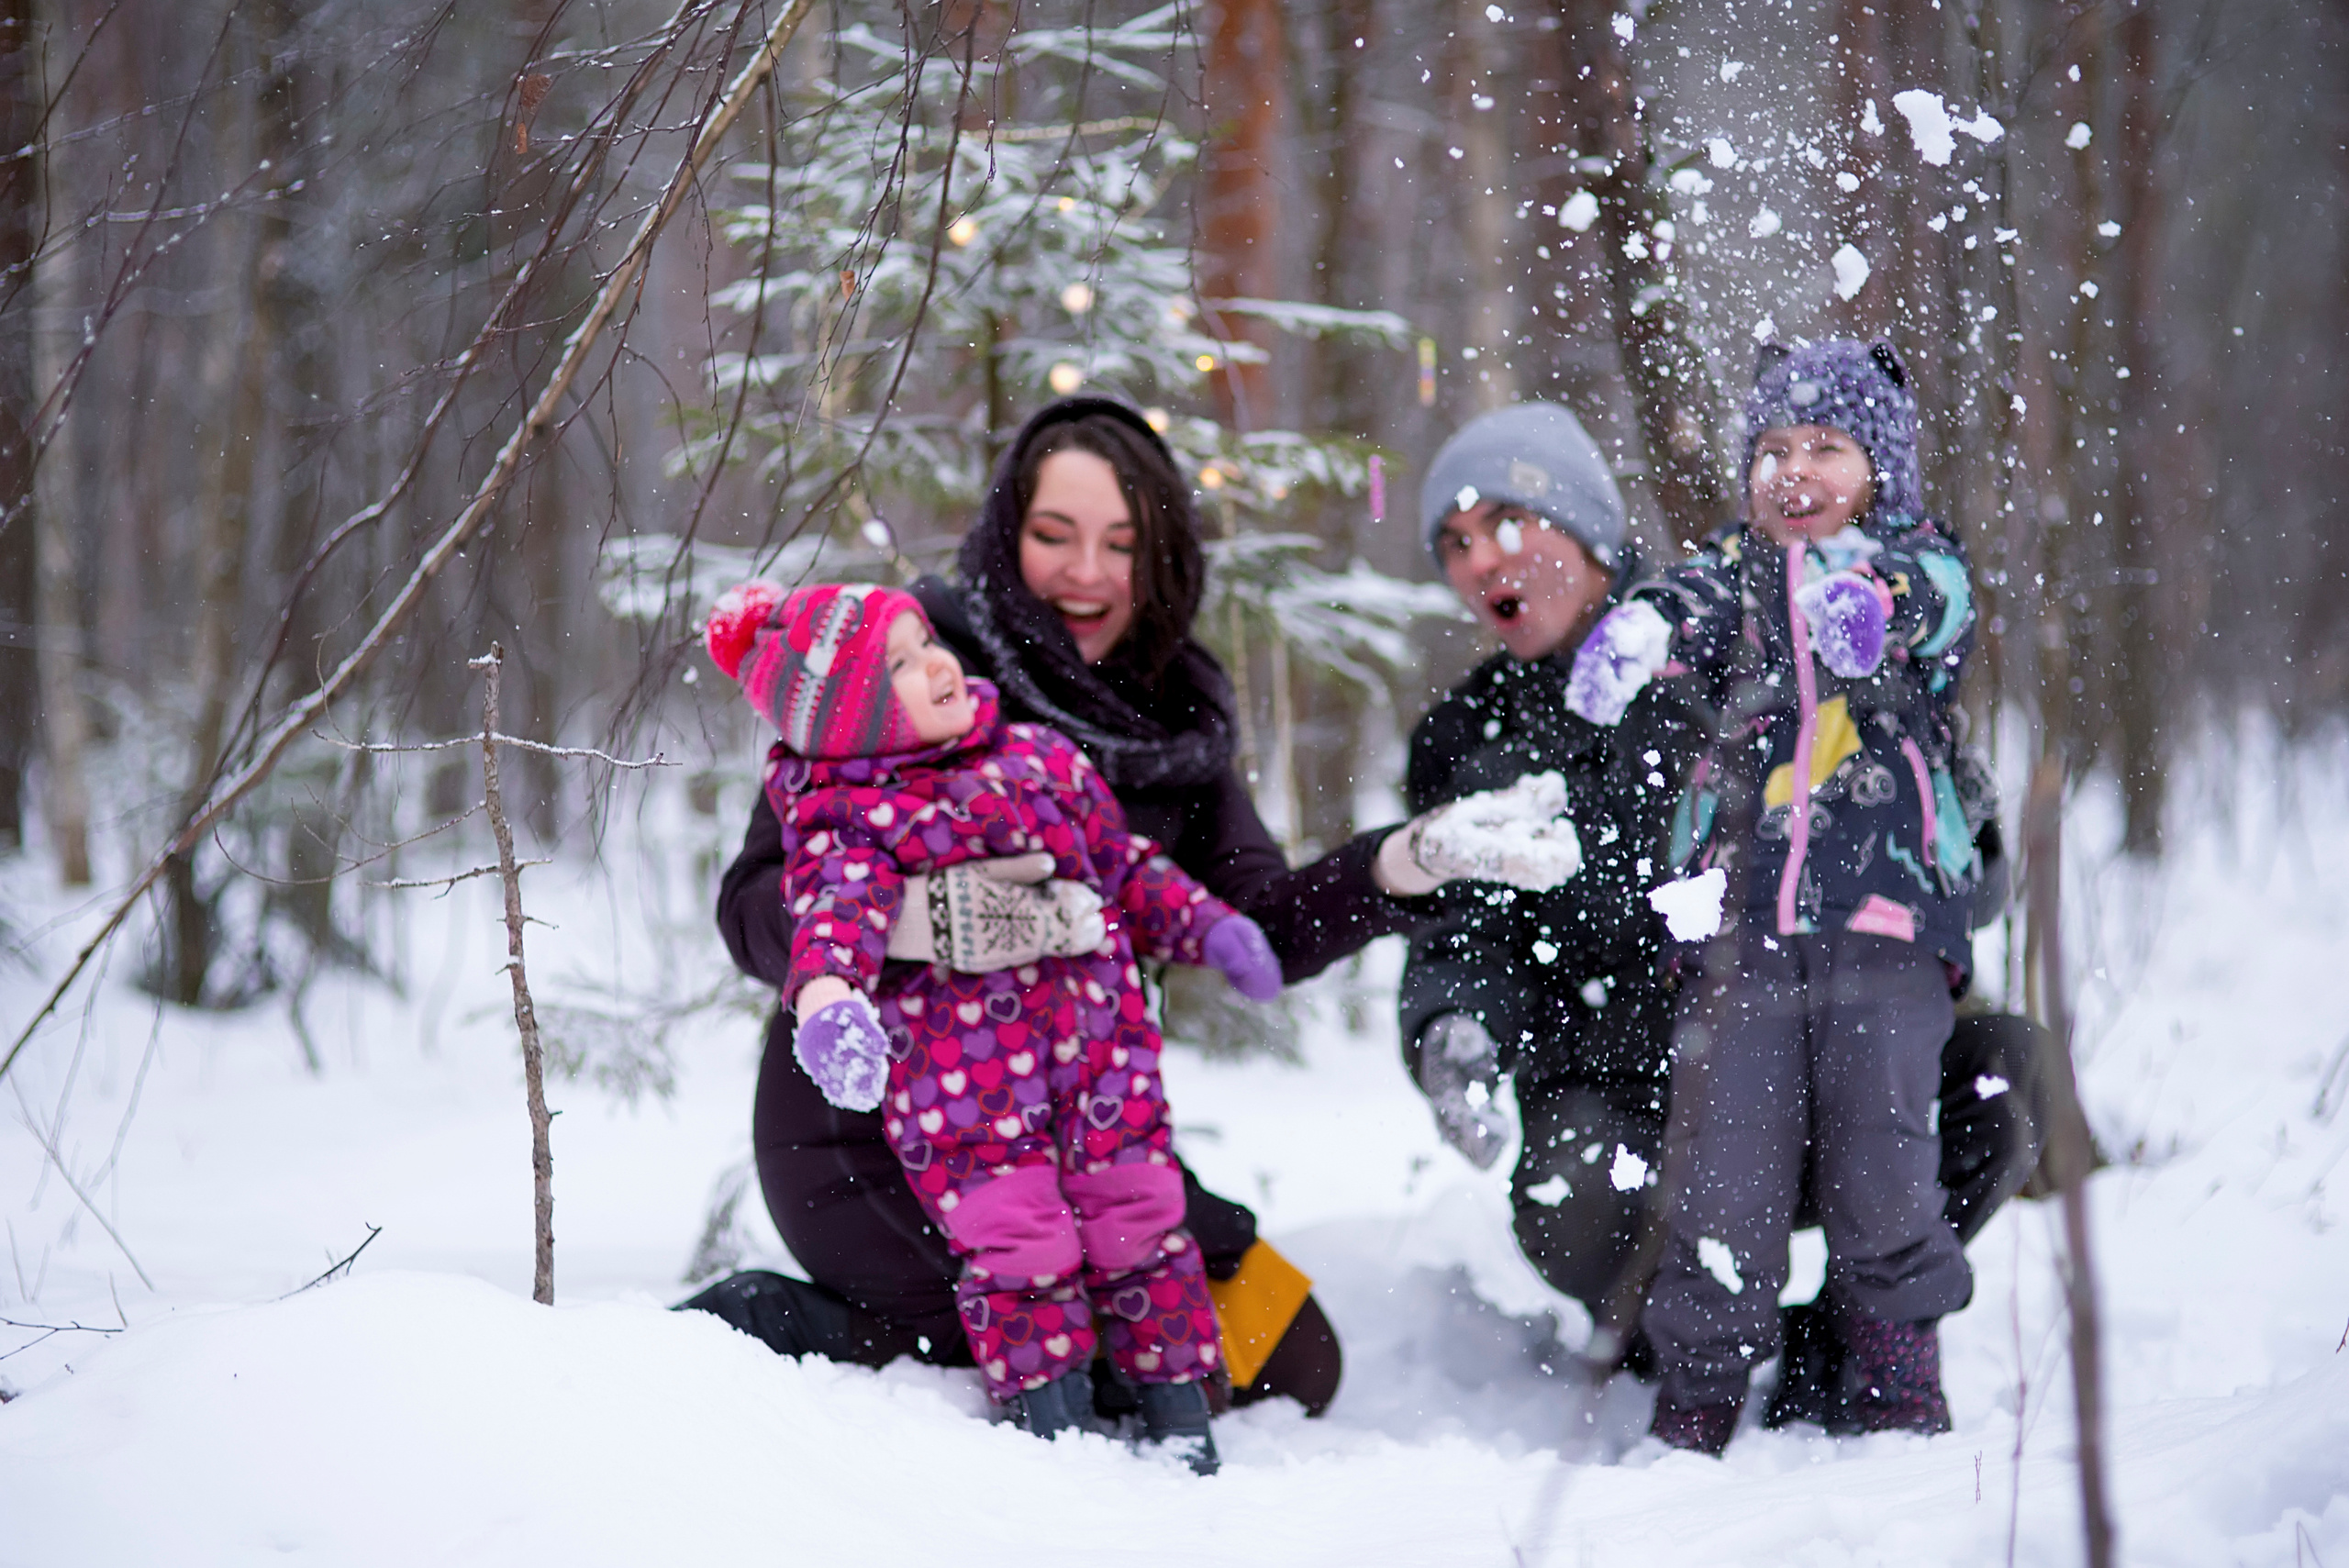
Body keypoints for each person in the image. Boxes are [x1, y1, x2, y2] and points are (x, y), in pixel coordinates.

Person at [689, 397, 1572, 1421]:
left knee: (1283, 1357)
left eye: (1121, 542)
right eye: (1052, 535)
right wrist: (919, 921)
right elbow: (749, 905)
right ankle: (788, 1326)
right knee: (1022, 1316)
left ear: (1161, 553)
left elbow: (1258, 924)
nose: (1087, 573)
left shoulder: (1174, 711)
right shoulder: (905, 672)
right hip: (878, 1129)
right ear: (1004, 533)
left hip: (1083, 1123)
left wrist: (1400, 862)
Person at [1397, 397, 2048, 1430]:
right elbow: (1463, 933)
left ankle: (1854, 1332)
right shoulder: (1466, 733)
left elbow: (1892, 784)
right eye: (1457, 545)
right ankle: (1684, 1346)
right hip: (1627, 1097)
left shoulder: (1732, 640)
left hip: (1812, 1032)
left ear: (1585, 530)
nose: (1482, 561)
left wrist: (1966, 821)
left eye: (1508, 522)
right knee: (1571, 1189)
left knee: (2002, 1075)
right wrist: (1452, 1025)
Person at [702, 579, 1288, 1471]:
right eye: (894, 666)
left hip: (1103, 1068)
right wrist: (829, 1007)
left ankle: (1180, 1420)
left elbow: (1123, 866)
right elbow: (830, 919)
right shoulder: (848, 818)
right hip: (967, 1097)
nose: (935, 663)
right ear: (848, 717)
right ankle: (1051, 1434)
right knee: (1021, 1247)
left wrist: (1210, 925)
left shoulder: (1041, 759)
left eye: (925, 642)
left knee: (1143, 1220)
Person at [1571, 338, 1982, 1454]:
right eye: (1772, 448)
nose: (1793, 469)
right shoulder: (1728, 572)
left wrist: (1874, 602)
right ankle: (1698, 1391)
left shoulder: (1918, 559)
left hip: (1886, 920)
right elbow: (1682, 603)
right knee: (1724, 1171)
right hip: (1739, 932)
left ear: (1879, 468)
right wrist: (1638, 634)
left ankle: (1899, 1378)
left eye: (1826, 448)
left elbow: (1939, 604)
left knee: (1883, 1158)